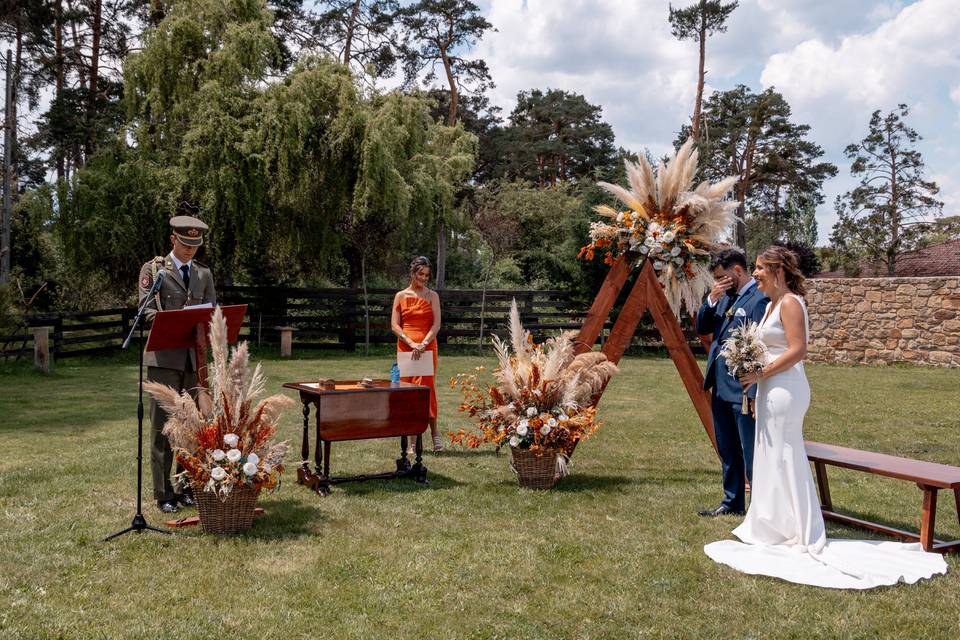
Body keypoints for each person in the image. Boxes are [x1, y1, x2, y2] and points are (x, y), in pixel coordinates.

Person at [704, 245, 947, 588]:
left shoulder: (789, 302)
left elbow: (798, 349)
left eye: (759, 268)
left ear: (778, 271)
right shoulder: (771, 303)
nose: (754, 273)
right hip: (769, 388)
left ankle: (800, 530)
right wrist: (754, 376)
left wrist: (760, 374)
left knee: (786, 454)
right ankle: (774, 525)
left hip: (786, 389)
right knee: (770, 456)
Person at [138, 215, 217, 513]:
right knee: (162, 429)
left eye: (195, 245)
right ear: (173, 239)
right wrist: (176, 319)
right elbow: (145, 313)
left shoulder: (203, 274)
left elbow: (213, 313)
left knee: (192, 427)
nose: (190, 250)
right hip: (164, 359)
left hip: (193, 361)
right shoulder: (155, 270)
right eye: (185, 244)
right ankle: (163, 493)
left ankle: (187, 486)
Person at [695, 248, 769, 517]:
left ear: (737, 271)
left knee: (750, 451)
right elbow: (702, 327)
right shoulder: (723, 298)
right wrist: (711, 300)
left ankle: (759, 509)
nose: (718, 282)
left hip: (743, 388)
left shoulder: (758, 299)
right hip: (720, 387)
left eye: (721, 277)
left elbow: (760, 345)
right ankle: (731, 502)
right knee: (728, 449)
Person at [391, 256, 443, 452]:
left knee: (427, 390)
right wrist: (411, 342)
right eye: (420, 274)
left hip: (427, 347)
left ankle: (435, 433)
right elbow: (394, 325)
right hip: (406, 347)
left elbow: (436, 324)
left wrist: (423, 343)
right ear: (412, 273)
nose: (424, 278)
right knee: (409, 392)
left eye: (427, 275)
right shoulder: (401, 296)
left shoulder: (432, 296)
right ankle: (412, 440)